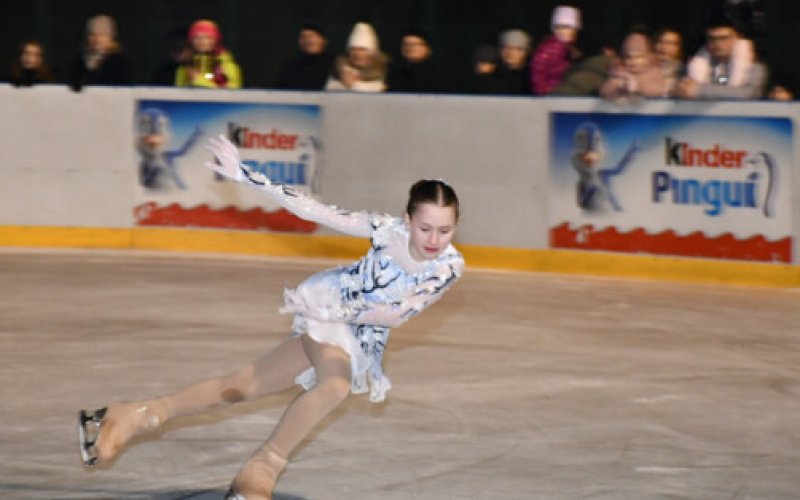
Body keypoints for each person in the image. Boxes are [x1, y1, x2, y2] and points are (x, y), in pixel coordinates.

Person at [78, 135, 465, 499]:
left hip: (356, 326)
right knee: (334, 385)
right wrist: (246, 175)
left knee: (242, 387)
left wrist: (337, 312)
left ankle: (138, 414)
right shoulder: (385, 231)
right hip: (327, 306)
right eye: (425, 228)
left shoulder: (447, 267)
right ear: (407, 219)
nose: (433, 240)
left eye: (444, 230)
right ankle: (262, 468)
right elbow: (313, 209)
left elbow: (395, 314)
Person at [677, 14, 766, 99]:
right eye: (712, 38)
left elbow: (748, 93)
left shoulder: (753, 65)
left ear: (738, 38)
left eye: (723, 38)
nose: (717, 43)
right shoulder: (694, 65)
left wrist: (700, 90)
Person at [600, 31, 668, 102]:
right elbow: (605, 91)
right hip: (624, 107)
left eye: (638, 57)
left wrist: (638, 87)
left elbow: (660, 89)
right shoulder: (620, 73)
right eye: (628, 57)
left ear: (648, 57)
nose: (633, 61)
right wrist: (622, 86)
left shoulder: (653, 72)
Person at [67, 15, 131, 91]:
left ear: (111, 38)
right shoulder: (80, 61)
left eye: (101, 35)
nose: (96, 39)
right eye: (92, 35)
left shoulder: (120, 62)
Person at [530, 5, 582, 96]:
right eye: (558, 27)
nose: (561, 31)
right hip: (553, 97)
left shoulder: (570, 49)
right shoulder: (549, 49)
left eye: (567, 27)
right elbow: (538, 77)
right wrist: (547, 94)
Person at [175, 19, 242, 89]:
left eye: (208, 37)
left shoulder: (228, 67)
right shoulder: (184, 69)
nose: (202, 42)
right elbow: (177, 93)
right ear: (191, 41)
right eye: (197, 38)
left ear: (216, 40)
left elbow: (232, 93)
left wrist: (199, 80)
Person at [325, 22, 388, 92]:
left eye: (362, 49)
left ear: (371, 53)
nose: (357, 54)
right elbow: (328, 89)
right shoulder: (338, 69)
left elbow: (381, 89)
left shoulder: (384, 70)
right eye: (353, 49)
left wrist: (353, 85)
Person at [276, 21, 335, 90]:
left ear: (323, 40)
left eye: (311, 36)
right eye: (303, 37)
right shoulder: (289, 66)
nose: (307, 40)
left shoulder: (335, 63)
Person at [472, 29, 532, 95]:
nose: (511, 52)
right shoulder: (491, 75)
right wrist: (483, 77)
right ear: (499, 50)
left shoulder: (531, 76)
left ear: (527, 52)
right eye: (506, 47)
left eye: (518, 49)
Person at [386, 28, 442, 93]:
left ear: (427, 48)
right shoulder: (393, 72)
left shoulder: (438, 74)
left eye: (415, 45)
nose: (410, 48)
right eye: (406, 44)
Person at [653, 27, 685, 95]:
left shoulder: (684, 72)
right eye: (660, 41)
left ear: (678, 48)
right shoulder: (643, 69)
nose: (663, 47)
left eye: (669, 43)